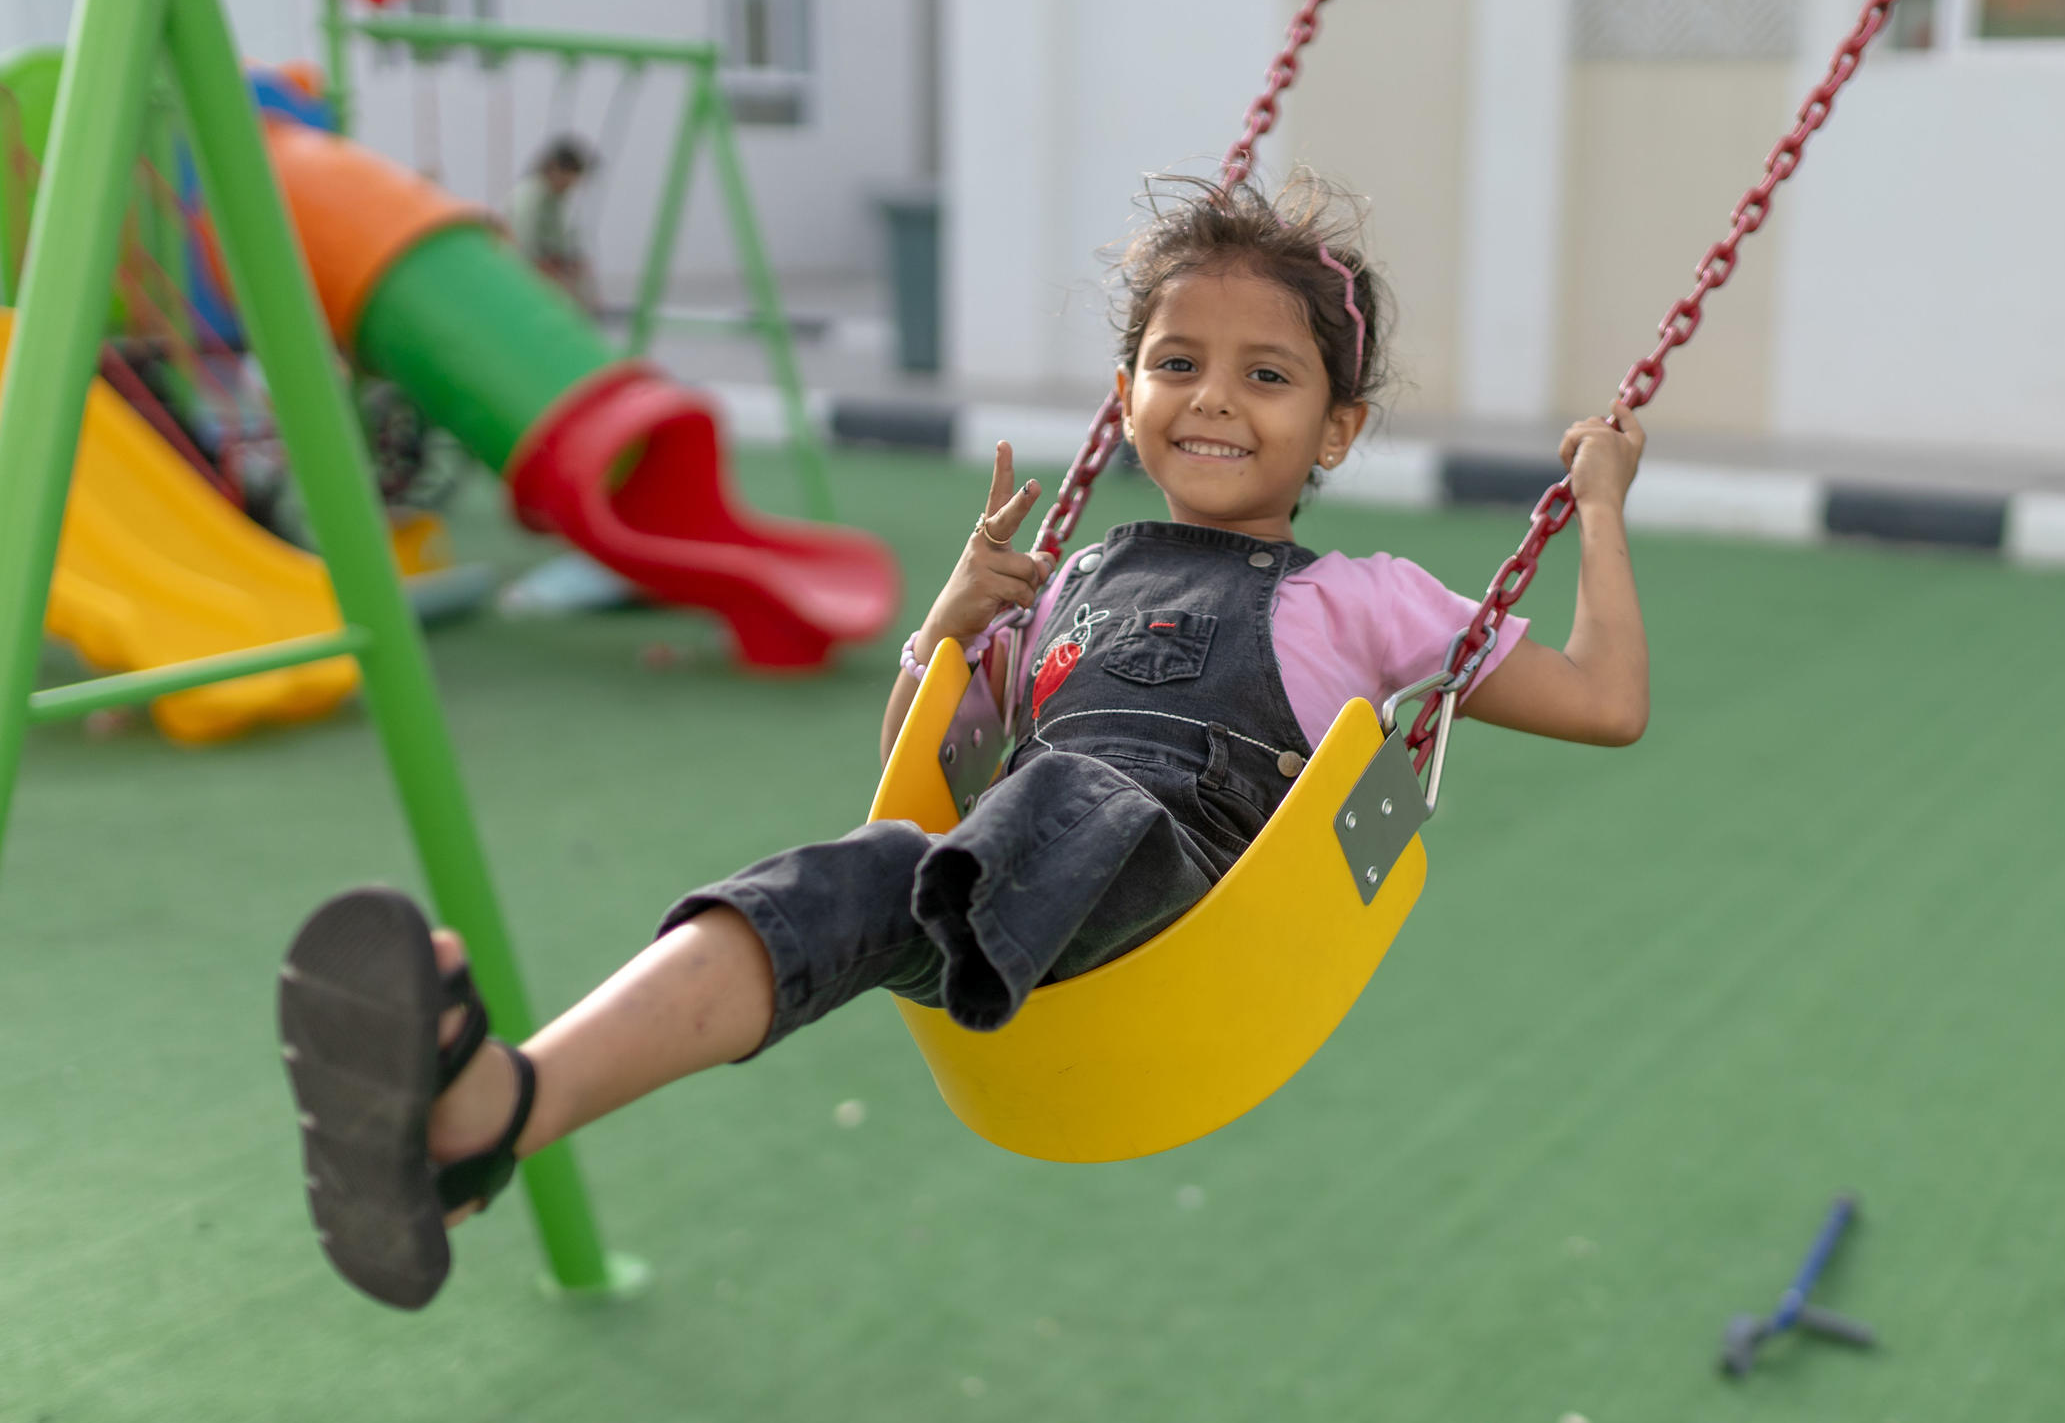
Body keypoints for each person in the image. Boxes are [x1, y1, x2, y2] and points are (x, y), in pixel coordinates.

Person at [276, 174, 1651, 1311]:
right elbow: (920, 763)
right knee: (855, 872)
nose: (1215, 398)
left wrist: (1597, 508)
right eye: (1177, 362)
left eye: (1268, 375)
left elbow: (1603, 701)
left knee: (1060, 794)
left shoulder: (1362, 599)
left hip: (1179, 897)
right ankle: (495, 1114)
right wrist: (947, 623)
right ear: (1127, 393)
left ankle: (926, 916)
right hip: (1009, 877)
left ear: (1336, 428)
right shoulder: (1070, 575)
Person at [507, 135, 597, 309]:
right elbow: (520, 244)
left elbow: (563, 242)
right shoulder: (529, 196)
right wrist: (552, 267)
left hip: (543, 271)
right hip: (521, 274)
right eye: (571, 177)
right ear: (555, 169)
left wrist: (572, 264)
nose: (572, 186)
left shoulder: (554, 200)